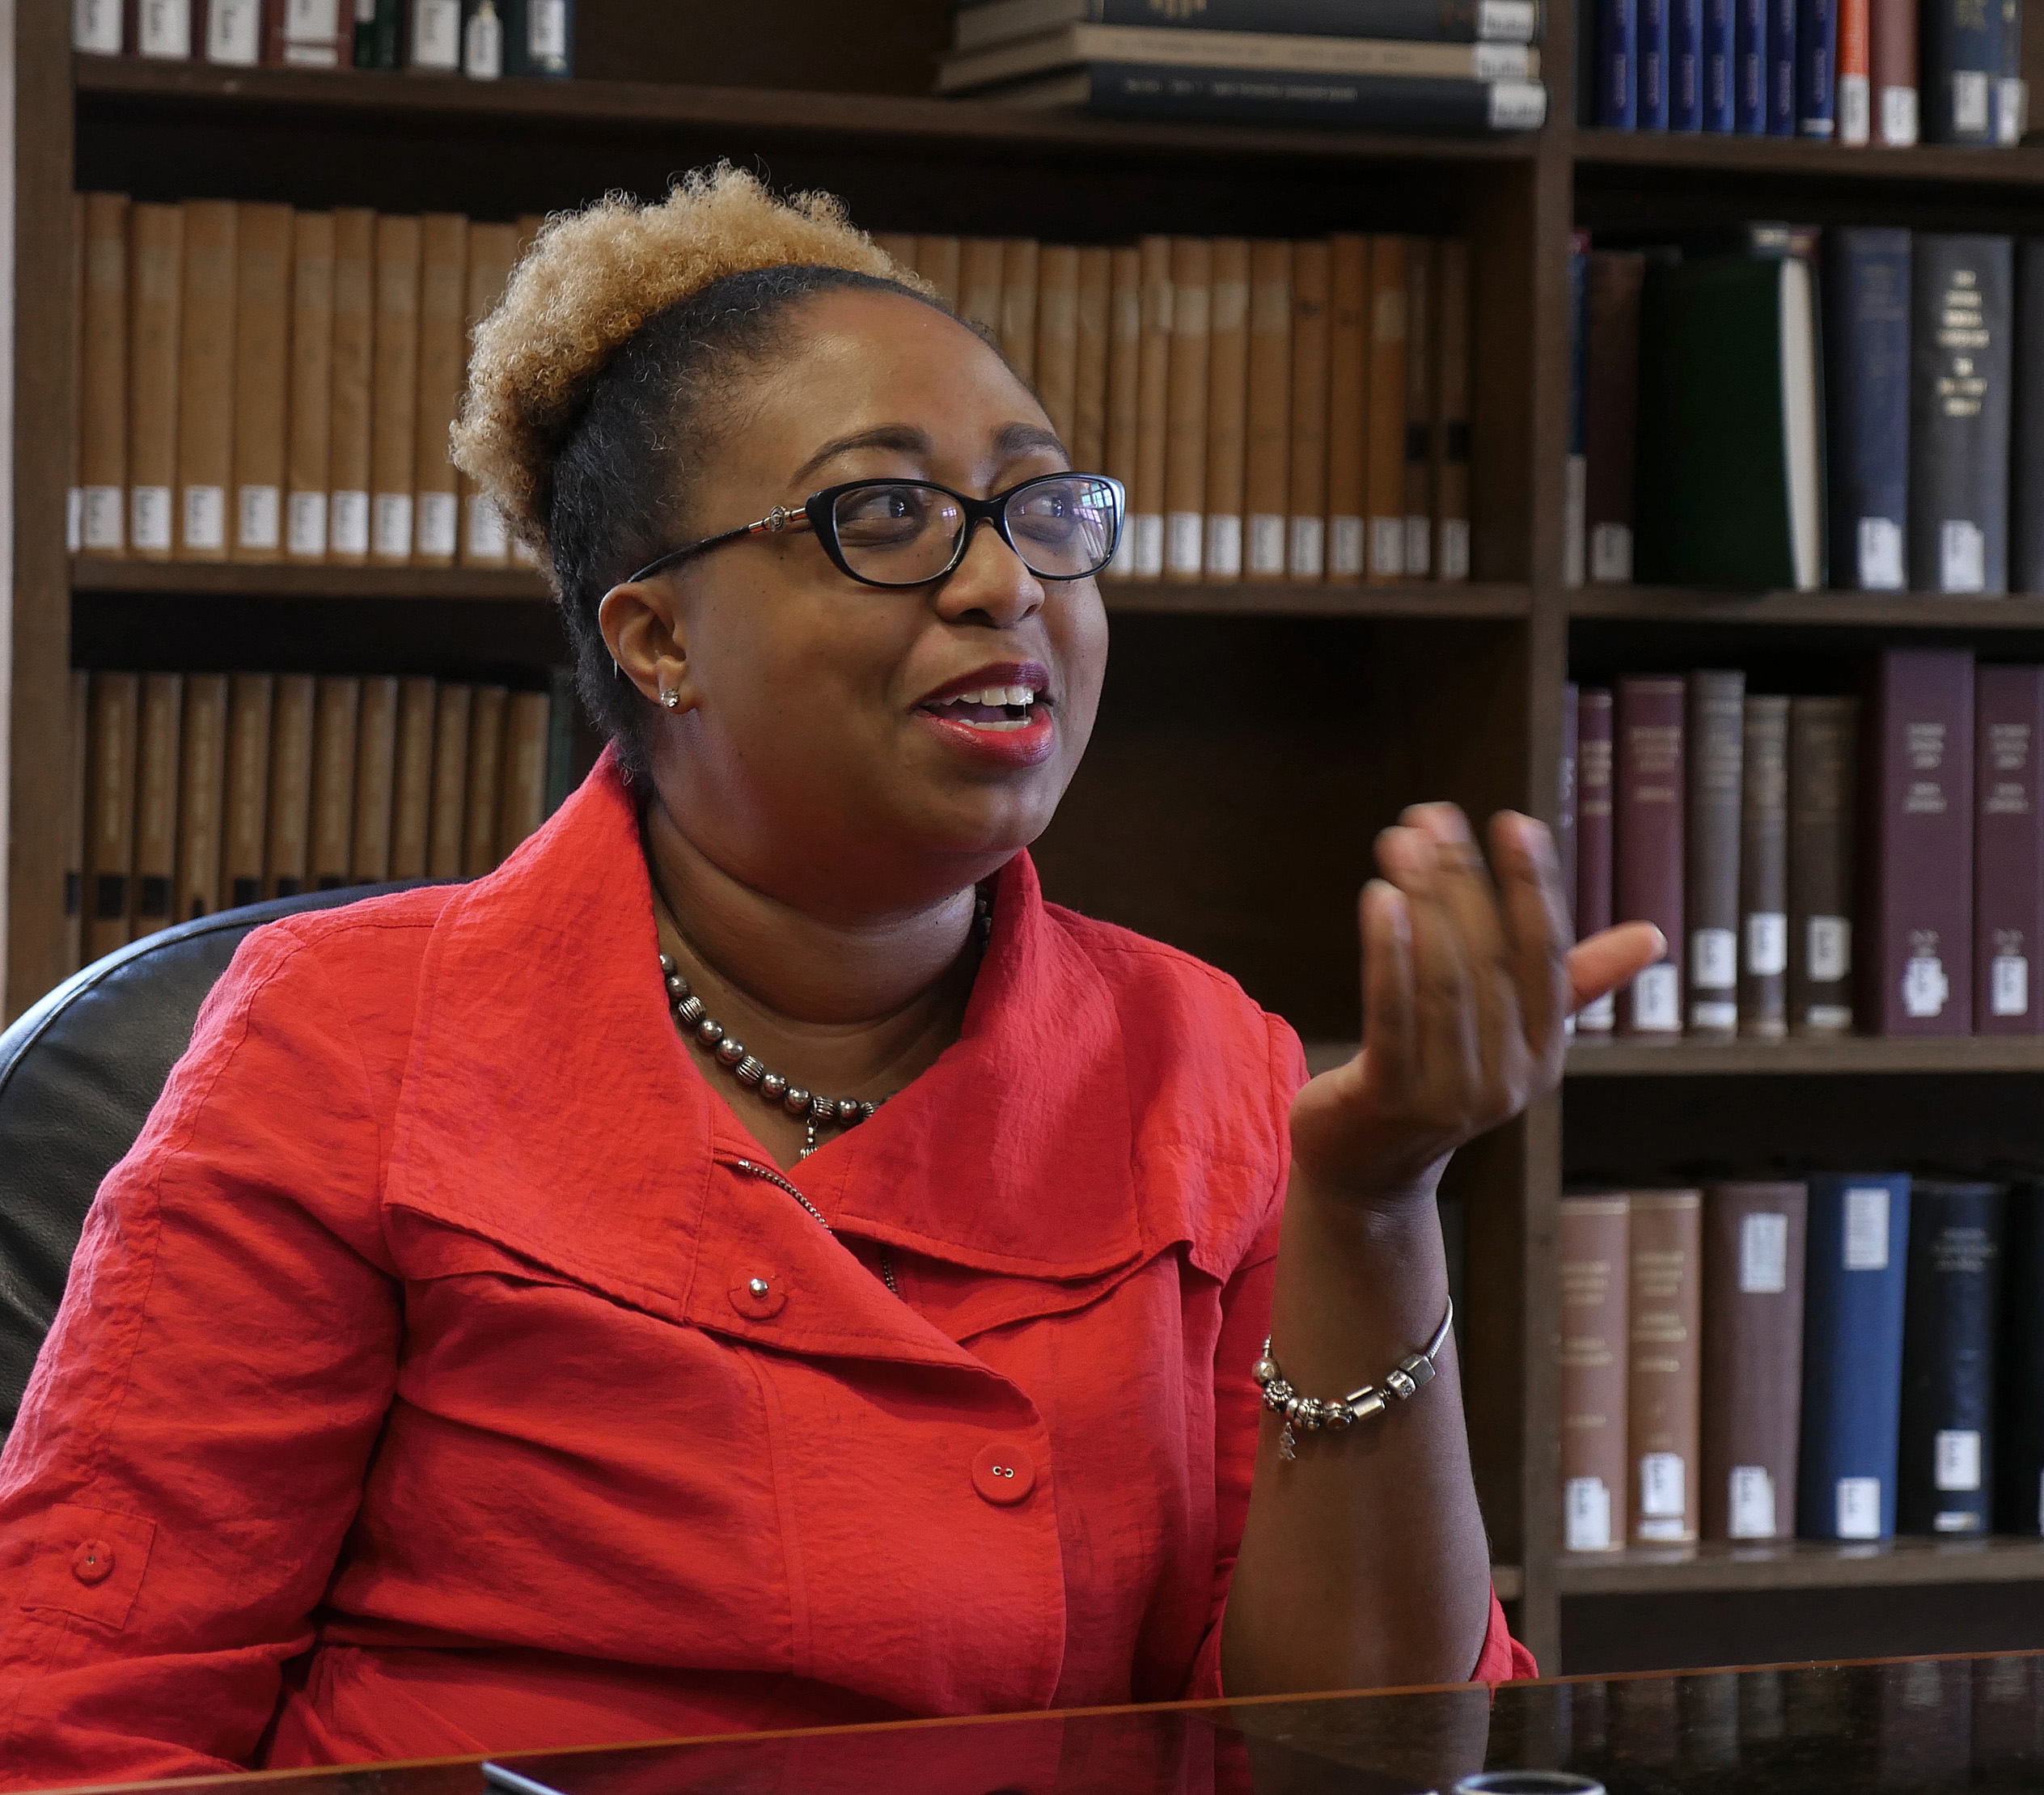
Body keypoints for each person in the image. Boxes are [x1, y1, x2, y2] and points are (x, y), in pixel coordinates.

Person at [0, 167, 1659, 1782]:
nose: (1007, 581)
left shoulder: (1209, 1061)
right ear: (656, 642)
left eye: (1043, 509)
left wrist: (1372, 1202)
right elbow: (79, 1720)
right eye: (888, 517)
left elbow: (1364, 1756)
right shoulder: (346, 1039)